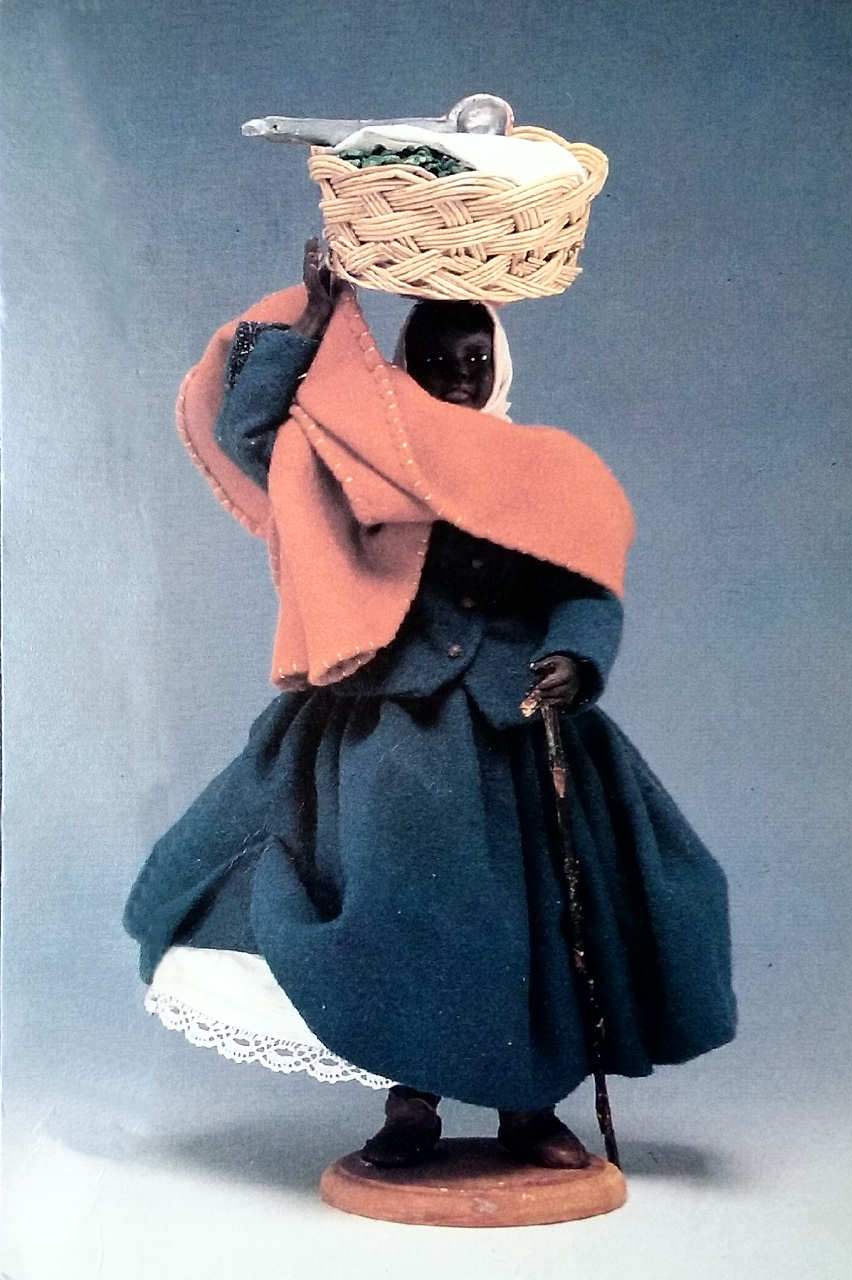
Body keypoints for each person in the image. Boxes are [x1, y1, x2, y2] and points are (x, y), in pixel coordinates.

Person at [124, 239, 736, 1171]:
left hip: (514, 726)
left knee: (535, 918)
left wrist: (575, 657)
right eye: (436, 360)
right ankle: (410, 1100)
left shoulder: (548, 466)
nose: (455, 377)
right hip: (388, 723)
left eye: (473, 360)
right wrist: (316, 321)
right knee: (398, 911)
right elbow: (254, 434)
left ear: (498, 366)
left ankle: (527, 1106)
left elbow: (584, 587)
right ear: (406, 363)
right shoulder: (365, 453)